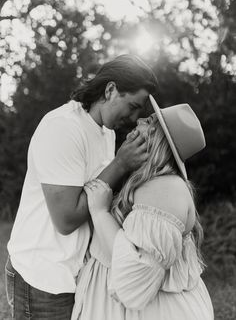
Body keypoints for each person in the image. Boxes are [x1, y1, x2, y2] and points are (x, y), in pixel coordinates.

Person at [5, 54, 158, 319]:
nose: (134, 117)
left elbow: (100, 193)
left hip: (74, 273)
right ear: (110, 90)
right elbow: (65, 220)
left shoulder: (106, 132)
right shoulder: (63, 128)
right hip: (42, 275)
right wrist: (121, 164)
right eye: (133, 106)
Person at [71, 95, 214, 320]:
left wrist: (100, 213)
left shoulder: (164, 188)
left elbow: (135, 278)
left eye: (148, 122)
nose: (138, 122)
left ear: (158, 139)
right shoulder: (148, 182)